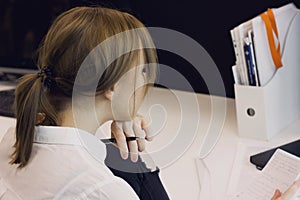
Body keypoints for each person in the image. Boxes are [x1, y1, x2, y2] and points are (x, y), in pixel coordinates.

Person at [0, 6, 168, 199]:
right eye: (142, 71)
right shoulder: (104, 189)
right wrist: (137, 158)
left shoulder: (15, 139)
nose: (145, 79)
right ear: (113, 86)